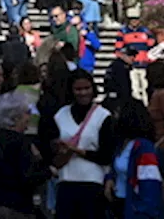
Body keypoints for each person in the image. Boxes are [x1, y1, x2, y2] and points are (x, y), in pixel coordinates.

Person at [0, 91, 50, 219]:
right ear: (16, 117)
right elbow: (28, 177)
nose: (29, 117)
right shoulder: (21, 142)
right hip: (15, 204)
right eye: (27, 113)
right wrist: (47, 170)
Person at [48, 69, 114, 219]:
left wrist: (75, 150)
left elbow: (105, 156)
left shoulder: (103, 116)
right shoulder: (60, 115)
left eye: (86, 88)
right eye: (78, 89)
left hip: (93, 183)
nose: (83, 93)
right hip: (66, 182)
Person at [105, 100, 164, 219]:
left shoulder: (143, 147)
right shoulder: (121, 145)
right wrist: (109, 178)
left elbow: (149, 183)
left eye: (117, 112)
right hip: (119, 203)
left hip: (136, 209)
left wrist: (143, 212)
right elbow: (115, 168)